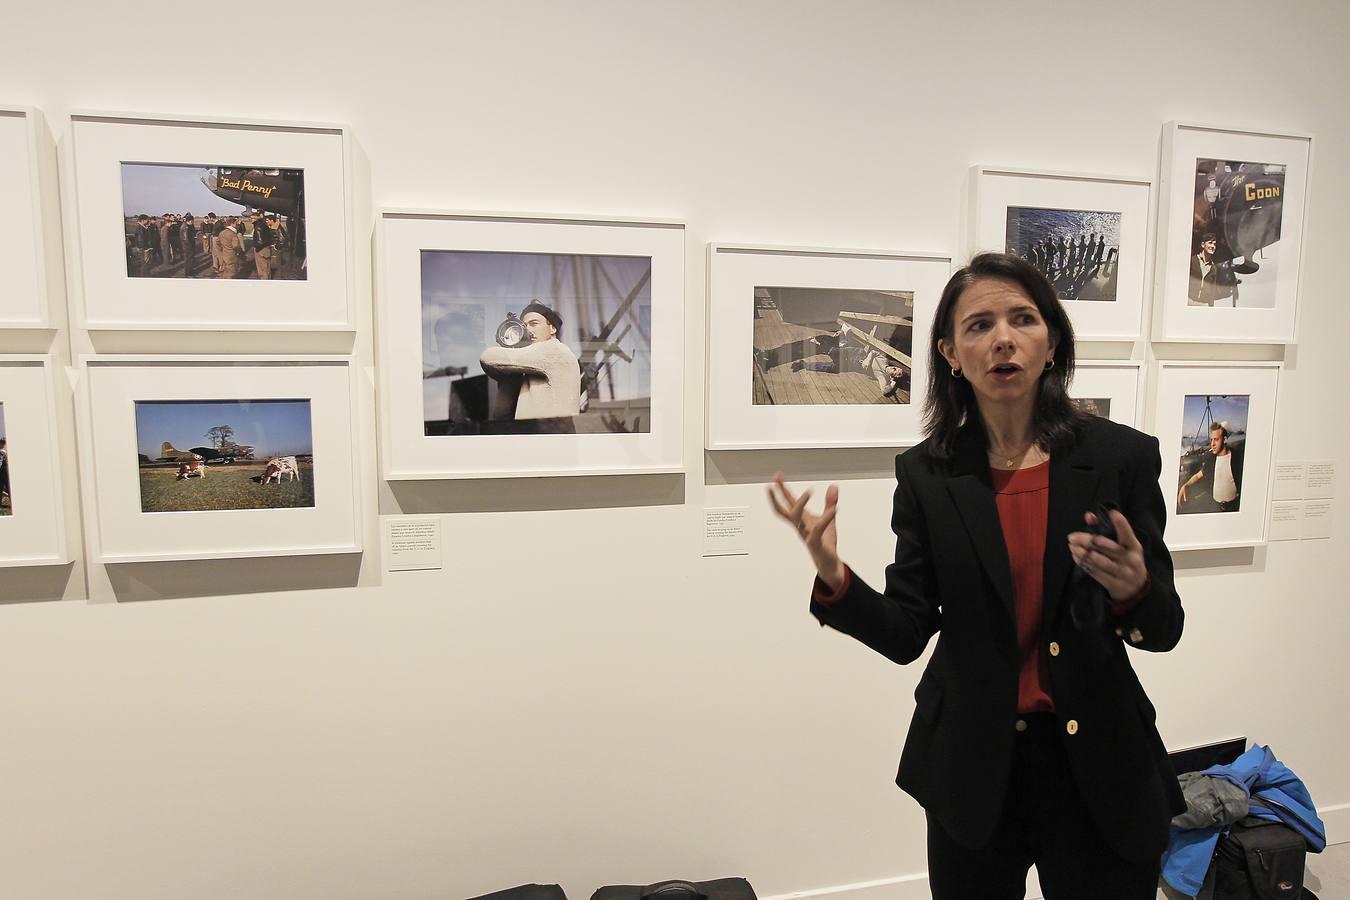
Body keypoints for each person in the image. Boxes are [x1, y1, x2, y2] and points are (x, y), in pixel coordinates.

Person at [768, 252, 1184, 899]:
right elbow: (908, 631)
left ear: (1051, 342)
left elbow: (1164, 629)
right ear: (951, 354)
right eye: (979, 325)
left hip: (1098, 762)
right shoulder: (929, 474)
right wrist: (834, 576)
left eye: (1023, 319)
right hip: (973, 764)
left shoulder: (1120, 458)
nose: (1003, 339)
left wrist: (1135, 590)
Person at [478, 300, 582, 427]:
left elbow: (488, 357)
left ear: (552, 328)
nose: (528, 330)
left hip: (550, 442)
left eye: (534, 324)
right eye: (524, 326)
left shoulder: (554, 351)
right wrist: (511, 375)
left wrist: (507, 346)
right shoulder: (531, 365)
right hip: (537, 441)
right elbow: (501, 414)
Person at [1177, 421, 1244, 513]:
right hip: (1216, 507)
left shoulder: (1236, 457)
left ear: (1224, 440)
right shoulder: (1211, 459)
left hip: (1233, 507)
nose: (1212, 444)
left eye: (1216, 439)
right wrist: (1186, 485)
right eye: (1211, 440)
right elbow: (1198, 475)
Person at [1188, 232, 1236, 307]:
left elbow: (1212, 290)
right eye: (1210, 243)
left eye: (1215, 244)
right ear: (1203, 245)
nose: (1213, 246)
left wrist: (1210, 306)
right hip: (1188, 301)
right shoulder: (1192, 260)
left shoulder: (1213, 268)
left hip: (1204, 304)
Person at [252, 212, 277, 279]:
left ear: (259, 217)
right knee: (267, 269)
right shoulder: (267, 227)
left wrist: (257, 248)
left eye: (253, 218)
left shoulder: (259, 226)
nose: (251, 219)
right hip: (267, 249)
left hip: (261, 250)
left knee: (262, 271)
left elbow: (260, 241)